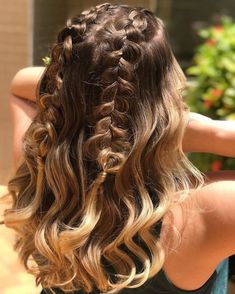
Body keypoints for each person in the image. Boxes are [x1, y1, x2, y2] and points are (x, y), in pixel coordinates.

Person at [2, 3, 235, 294]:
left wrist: (87, 94)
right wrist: (206, 131)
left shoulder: (38, 168)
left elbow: (20, 84)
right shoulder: (207, 209)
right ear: (166, 95)